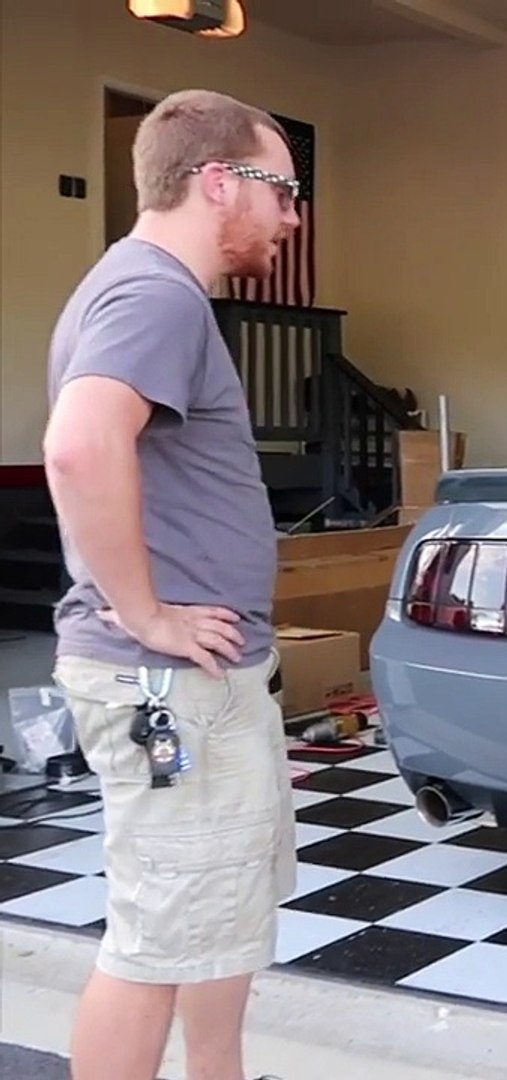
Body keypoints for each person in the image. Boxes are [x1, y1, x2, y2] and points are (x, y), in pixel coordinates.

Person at [42, 88, 304, 1080]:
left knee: (214, 915)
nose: (290, 218)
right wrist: (146, 616)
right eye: (283, 192)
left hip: (202, 683)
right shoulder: (155, 295)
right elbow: (78, 446)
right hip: (168, 689)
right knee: (157, 941)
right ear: (218, 182)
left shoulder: (145, 291)